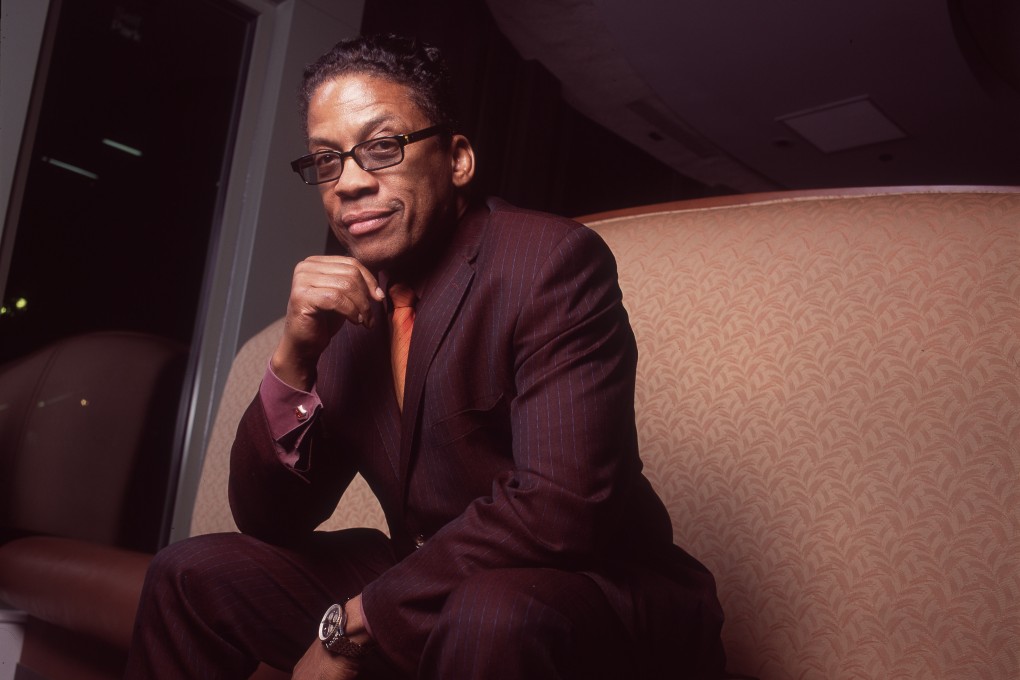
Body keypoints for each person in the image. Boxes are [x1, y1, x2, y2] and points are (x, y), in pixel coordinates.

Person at [125, 34, 726, 680]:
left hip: (596, 595)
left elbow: (564, 509)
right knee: (188, 575)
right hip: (438, 582)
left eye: (382, 147)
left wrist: (351, 626)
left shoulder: (550, 262)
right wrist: (294, 355)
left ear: (458, 159)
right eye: (327, 161)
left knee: (489, 615)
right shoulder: (350, 315)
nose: (350, 183)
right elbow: (270, 518)